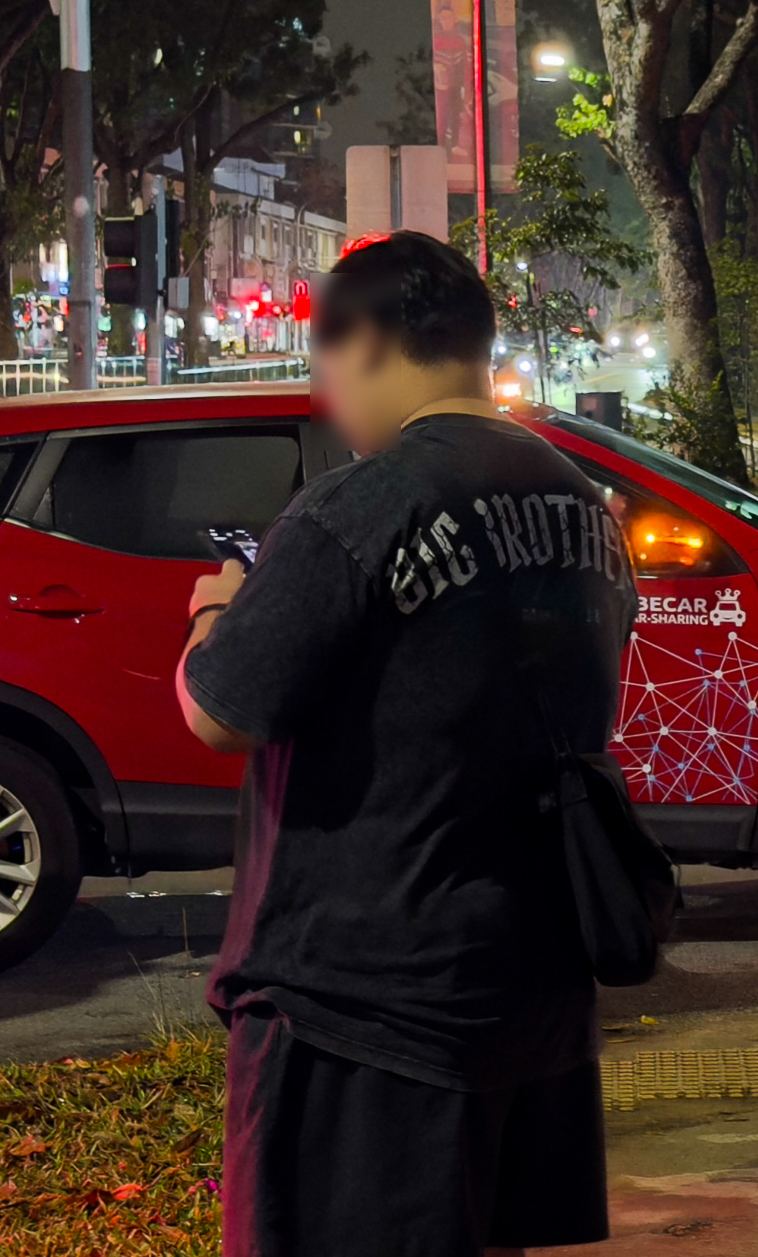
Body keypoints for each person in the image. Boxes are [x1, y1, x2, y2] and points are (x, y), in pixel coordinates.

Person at [178, 231, 635, 1257]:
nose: (325, 384)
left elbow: (219, 710)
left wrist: (217, 610)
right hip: (529, 984)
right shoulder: (585, 508)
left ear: (378, 340)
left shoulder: (362, 503)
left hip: (362, 1003)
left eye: (329, 353)